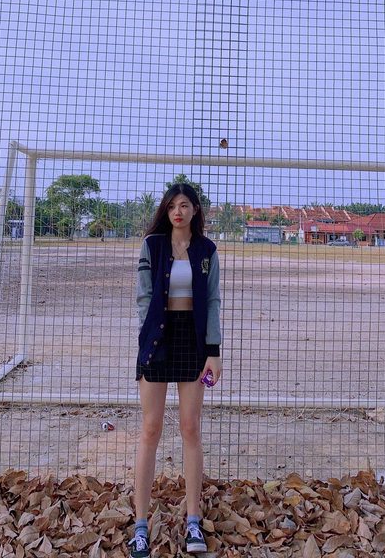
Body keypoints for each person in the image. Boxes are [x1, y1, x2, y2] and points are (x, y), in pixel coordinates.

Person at [128, 183, 222, 558]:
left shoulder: (206, 251)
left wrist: (213, 352)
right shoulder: (152, 245)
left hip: (193, 343)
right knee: (150, 428)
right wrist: (147, 334)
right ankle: (140, 525)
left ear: (196, 209)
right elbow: (143, 296)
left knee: (190, 427)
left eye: (184, 205)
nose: (177, 212)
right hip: (158, 339)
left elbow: (212, 301)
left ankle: (193, 520)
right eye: (171, 206)